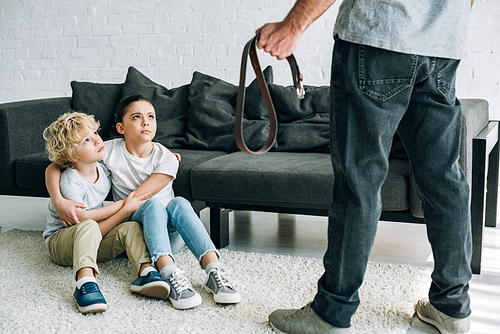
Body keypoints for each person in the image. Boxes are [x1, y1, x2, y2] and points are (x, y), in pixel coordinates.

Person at [256, 0, 474, 333]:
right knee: (444, 179)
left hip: (378, 39)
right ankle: (451, 308)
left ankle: (331, 312)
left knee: (359, 181)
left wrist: (292, 26)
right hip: (441, 46)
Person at [46, 95, 241, 310]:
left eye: (151, 117)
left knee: (180, 203)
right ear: (121, 128)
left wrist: (169, 161)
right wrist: (58, 199)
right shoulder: (108, 151)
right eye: (137, 117)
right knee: (152, 204)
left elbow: (137, 198)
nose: (146, 122)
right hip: (136, 227)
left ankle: (214, 270)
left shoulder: (166, 158)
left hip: (168, 235)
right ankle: (167, 272)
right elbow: (57, 165)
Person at [43, 112, 170, 314]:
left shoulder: (102, 168)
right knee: (90, 226)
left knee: (131, 227)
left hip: (91, 239)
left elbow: (134, 164)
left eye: (94, 133)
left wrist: (168, 159)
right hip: (63, 244)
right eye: (86, 140)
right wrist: (124, 207)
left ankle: (146, 271)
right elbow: (86, 224)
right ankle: (85, 283)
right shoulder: (70, 182)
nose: (96, 140)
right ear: (71, 155)